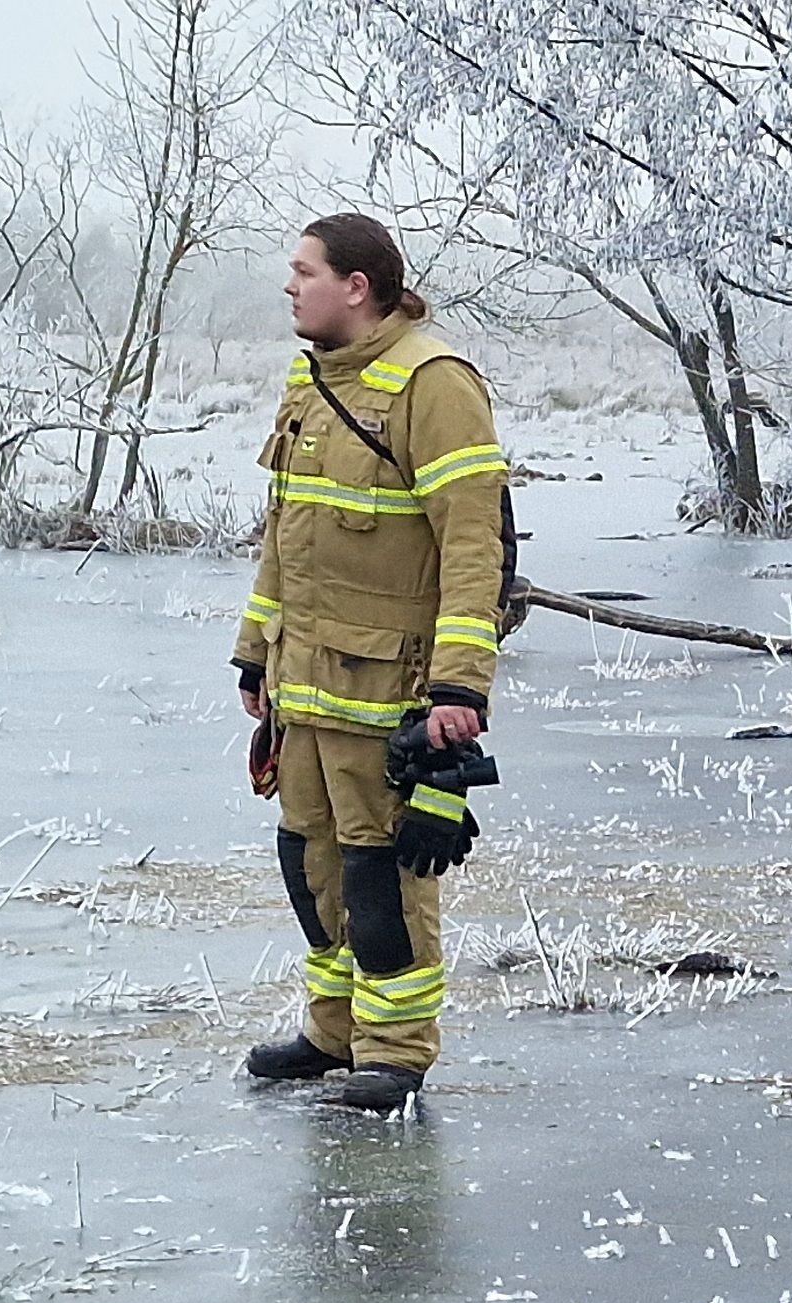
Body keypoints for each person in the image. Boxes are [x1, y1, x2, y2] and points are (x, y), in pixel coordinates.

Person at [233, 211, 512, 1113]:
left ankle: (395, 1051)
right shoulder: (310, 383)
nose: (290, 285)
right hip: (303, 684)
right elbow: (285, 533)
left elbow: (474, 549)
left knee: (381, 874)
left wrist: (460, 689)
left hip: (388, 692)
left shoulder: (434, 385)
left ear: (357, 286)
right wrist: (253, 656)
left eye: (304, 271)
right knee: (308, 865)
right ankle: (333, 1030)